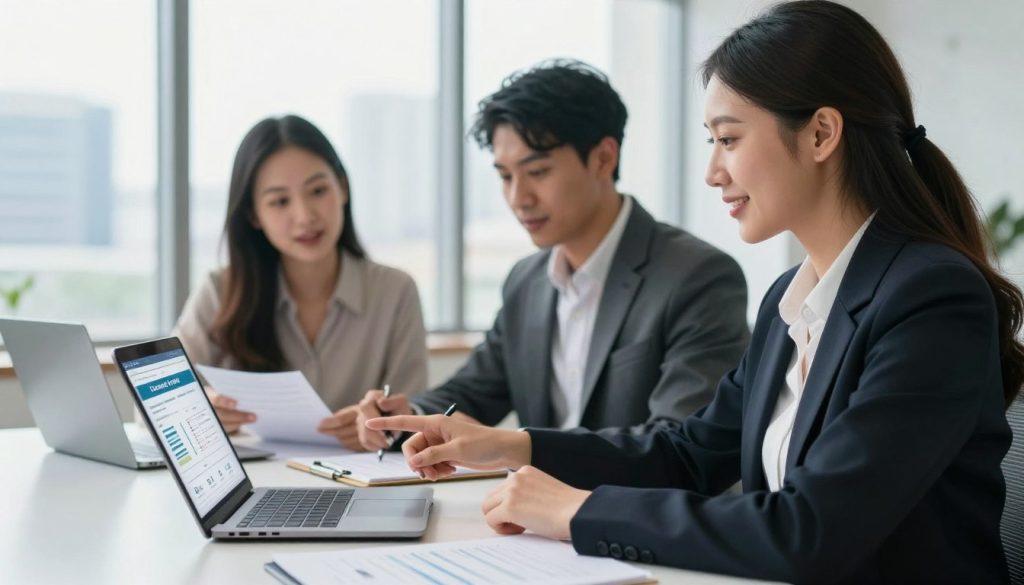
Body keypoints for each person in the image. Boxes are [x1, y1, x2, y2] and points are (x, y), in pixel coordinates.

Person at [366, 3, 1024, 582]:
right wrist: (514, 446)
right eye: (710, 142)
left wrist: (576, 509)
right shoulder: (788, 302)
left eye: (729, 139)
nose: (712, 172)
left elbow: (810, 530)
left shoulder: (932, 299)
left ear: (822, 133)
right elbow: (687, 453)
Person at [347, 60, 750, 452]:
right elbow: (473, 392)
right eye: (505, 176)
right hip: (532, 516)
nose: (518, 198)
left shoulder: (697, 276)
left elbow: (680, 441)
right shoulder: (527, 279)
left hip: (641, 515)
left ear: (603, 158)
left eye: (537, 172)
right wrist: (407, 416)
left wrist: (520, 447)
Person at [174, 115, 427, 449]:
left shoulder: (395, 291)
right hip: (258, 489)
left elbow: (418, 417)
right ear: (253, 214)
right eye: (280, 201)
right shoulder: (221, 290)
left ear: (343, 188)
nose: (305, 215)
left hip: (362, 486)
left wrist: (386, 428)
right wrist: (200, 410)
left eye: (318, 191)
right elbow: (152, 408)